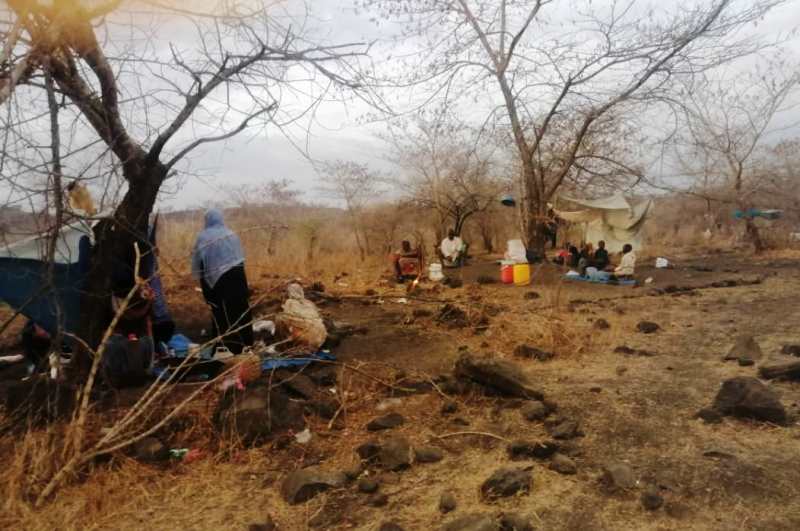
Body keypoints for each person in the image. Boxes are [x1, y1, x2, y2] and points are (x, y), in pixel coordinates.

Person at [191, 209, 254, 354]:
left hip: (219, 281)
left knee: (221, 312)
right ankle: (246, 346)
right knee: (241, 309)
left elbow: (201, 265)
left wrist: (207, 291)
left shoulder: (203, 237)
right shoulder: (231, 234)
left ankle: (224, 348)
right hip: (238, 278)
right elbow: (240, 261)